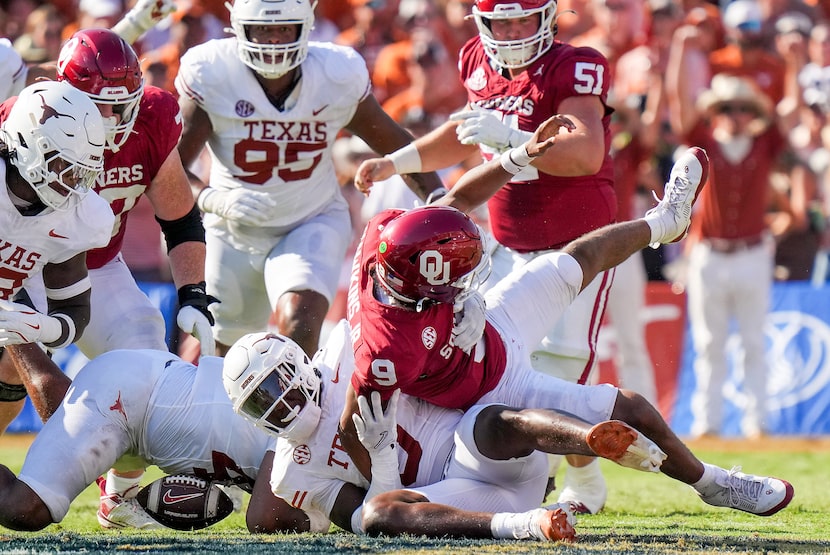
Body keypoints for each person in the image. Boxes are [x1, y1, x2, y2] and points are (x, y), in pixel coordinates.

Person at [342, 121, 794, 519]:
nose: (466, 281)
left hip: (497, 326)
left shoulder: (388, 234)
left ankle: (665, 222)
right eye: (456, 280)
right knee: (629, 407)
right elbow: (353, 425)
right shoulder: (385, 351)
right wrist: (384, 483)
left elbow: (456, 199)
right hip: (488, 387)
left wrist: (517, 157)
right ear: (424, 292)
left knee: (575, 258)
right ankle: (712, 483)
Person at [352, 0, 620, 512]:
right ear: (483, 23)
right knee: (492, 359)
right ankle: (506, 466)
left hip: (577, 240)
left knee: (559, 366)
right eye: (504, 21)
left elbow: (587, 152)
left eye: (524, 19)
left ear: (547, 18)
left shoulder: (573, 65)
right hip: (503, 240)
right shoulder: (477, 60)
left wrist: (516, 141)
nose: (514, 31)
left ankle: (585, 483)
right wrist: (398, 161)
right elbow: (464, 133)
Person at [0, 29, 218, 529]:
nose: (109, 123)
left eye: (121, 109)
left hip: (88, 261)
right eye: (96, 108)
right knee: (18, 373)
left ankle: (119, 498)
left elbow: (180, 217)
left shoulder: (153, 119)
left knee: (144, 356)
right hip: (19, 256)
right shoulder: (27, 120)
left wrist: (193, 293)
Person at [224, 320, 665, 541]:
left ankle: (589, 440)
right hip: (449, 499)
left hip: (470, 447)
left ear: (296, 364)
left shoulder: (346, 347)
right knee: (379, 517)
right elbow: (370, 519)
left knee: (495, 418)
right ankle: (530, 524)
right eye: (259, 403)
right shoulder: (289, 473)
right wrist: (380, 456)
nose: (278, 404)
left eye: (274, 386)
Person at [175, 0, 445, 358]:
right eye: (263, 30)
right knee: (228, 349)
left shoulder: (333, 75)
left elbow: (397, 145)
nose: (273, 43)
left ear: (305, 27)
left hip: (309, 218)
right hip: (233, 226)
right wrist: (212, 199)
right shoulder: (214, 72)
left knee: (299, 322)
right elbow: (171, 168)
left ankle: (300, 413)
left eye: (283, 29)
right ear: (240, 28)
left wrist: (441, 203)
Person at [0, 342, 287, 532]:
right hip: (131, 394)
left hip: (152, 410)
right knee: (24, 509)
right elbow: (267, 518)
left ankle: (116, 498)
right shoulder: (303, 436)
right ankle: (16, 329)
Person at [0, 80, 114, 435]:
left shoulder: (79, 216)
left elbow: (75, 309)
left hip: (10, 300)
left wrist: (43, 327)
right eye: (63, 165)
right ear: (28, 145)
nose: (73, 183)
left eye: (81, 172)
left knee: (12, 365)